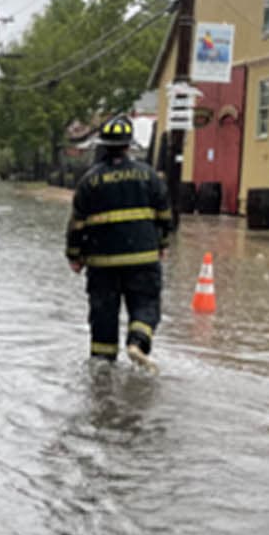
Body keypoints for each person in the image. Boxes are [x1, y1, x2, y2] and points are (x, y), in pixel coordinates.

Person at [66, 114, 170, 372]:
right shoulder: (149, 176)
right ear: (128, 145)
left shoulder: (89, 180)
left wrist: (74, 255)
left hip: (102, 265)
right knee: (145, 304)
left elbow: (77, 224)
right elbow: (165, 215)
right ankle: (137, 342)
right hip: (143, 259)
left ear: (102, 144)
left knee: (103, 316)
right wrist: (162, 244)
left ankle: (102, 372)